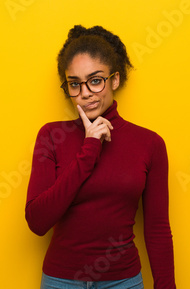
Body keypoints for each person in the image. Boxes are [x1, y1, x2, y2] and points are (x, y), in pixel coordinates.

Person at [25, 25, 176, 289]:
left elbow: (157, 229)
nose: (85, 93)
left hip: (123, 282)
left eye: (95, 80)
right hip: (61, 281)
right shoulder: (51, 135)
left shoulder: (149, 144)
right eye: (75, 84)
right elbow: (38, 221)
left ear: (114, 80)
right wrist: (89, 149)